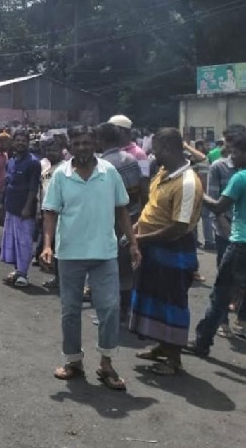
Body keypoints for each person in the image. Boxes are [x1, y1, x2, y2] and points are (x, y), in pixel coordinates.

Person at [40, 125, 140, 391]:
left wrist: (132, 243)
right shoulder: (61, 175)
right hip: (70, 253)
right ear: (70, 147)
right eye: (78, 144)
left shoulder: (109, 173)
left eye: (87, 143)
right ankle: (73, 361)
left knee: (109, 308)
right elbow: (50, 212)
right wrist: (47, 246)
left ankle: (106, 363)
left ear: (94, 143)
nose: (82, 147)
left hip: (104, 253)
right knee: (70, 311)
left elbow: (122, 210)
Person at [130, 128, 203, 376]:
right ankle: (162, 346)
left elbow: (178, 227)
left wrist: (140, 238)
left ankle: (174, 359)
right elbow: (152, 205)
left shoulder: (188, 182)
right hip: (153, 248)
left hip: (173, 250)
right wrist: (138, 226)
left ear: (169, 149)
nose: (153, 154)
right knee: (154, 299)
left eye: (157, 150)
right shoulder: (163, 173)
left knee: (172, 302)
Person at [187, 131, 246, 356]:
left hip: (240, 243)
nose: (234, 157)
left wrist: (198, 192)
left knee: (220, 295)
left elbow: (219, 206)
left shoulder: (240, 178)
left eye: (237, 152)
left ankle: (202, 342)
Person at [94, 122, 145, 323]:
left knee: (107, 267)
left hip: (111, 221)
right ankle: (125, 309)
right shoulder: (131, 159)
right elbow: (140, 188)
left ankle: (110, 310)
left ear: (102, 140)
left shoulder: (103, 165)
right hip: (132, 216)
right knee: (125, 267)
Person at [203, 125, 246, 337]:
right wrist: (226, 231)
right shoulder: (219, 167)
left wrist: (197, 192)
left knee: (226, 287)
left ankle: (239, 320)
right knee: (225, 282)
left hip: (239, 237)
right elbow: (218, 211)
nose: (230, 153)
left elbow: (216, 203)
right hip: (225, 232)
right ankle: (224, 323)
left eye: (234, 149)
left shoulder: (240, 176)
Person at [0, 130, 40, 287]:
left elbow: (33, 187)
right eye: (18, 140)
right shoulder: (11, 160)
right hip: (11, 206)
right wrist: (2, 203)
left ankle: (23, 274)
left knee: (24, 242)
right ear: (13, 143)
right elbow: (7, 183)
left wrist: (27, 207)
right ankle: (18, 270)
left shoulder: (33, 162)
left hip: (24, 210)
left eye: (24, 140)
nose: (21, 143)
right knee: (13, 241)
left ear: (28, 142)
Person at [37, 138, 64, 289]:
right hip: (45, 210)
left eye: (55, 150)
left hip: (60, 213)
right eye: (49, 150)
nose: (51, 153)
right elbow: (40, 188)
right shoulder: (43, 165)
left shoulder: (66, 167)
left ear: (62, 150)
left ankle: (61, 279)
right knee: (49, 245)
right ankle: (56, 277)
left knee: (60, 247)